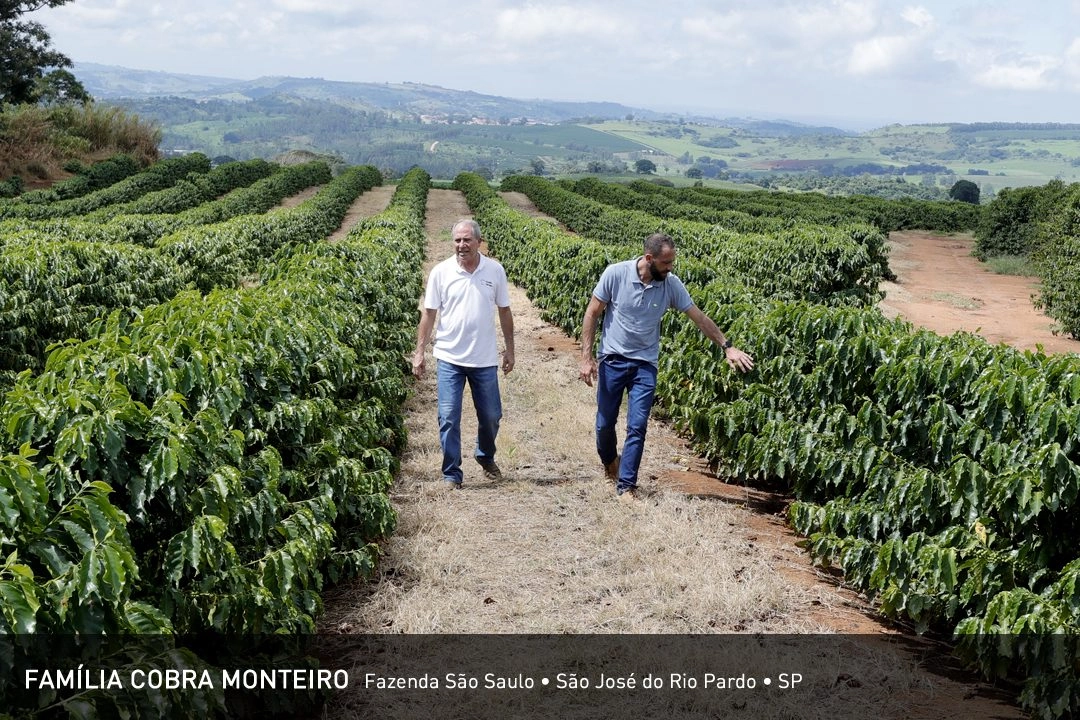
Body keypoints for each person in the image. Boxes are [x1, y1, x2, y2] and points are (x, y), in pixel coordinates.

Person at [578, 232, 754, 499]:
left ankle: (626, 487)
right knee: (604, 424)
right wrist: (586, 358)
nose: (670, 268)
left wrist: (727, 346)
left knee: (637, 426)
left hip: (645, 365)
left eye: (672, 262)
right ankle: (609, 462)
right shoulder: (615, 274)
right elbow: (592, 312)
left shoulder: (670, 284)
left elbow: (698, 316)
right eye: (666, 263)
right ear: (649, 259)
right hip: (613, 360)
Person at [413, 218, 515, 488]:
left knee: (492, 416)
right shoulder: (441, 272)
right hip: (449, 358)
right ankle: (451, 473)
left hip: (484, 359)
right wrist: (419, 352)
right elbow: (429, 313)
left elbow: (504, 310)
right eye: (457, 240)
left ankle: (485, 455)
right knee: (448, 417)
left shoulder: (494, 271)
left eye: (467, 240)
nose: (461, 245)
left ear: (479, 242)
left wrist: (510, 349)